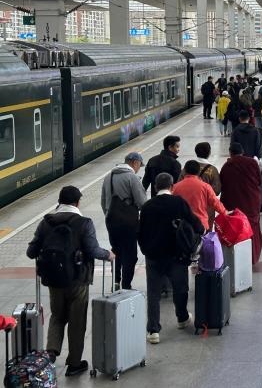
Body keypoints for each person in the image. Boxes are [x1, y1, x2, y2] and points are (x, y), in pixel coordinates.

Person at [27, 186, 114, 376]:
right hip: (78, 280)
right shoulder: (84, 223)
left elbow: (30, 252)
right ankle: (74, 363)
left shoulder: (45, 223)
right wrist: (108, 254)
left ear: (59, 202)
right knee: (77, 321)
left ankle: (51, 353)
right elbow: (93, 250)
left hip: (53, 280)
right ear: (77, 202)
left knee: (57, 316)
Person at [138, 173, 203, 344]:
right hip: (176, 255)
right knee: (180, 288)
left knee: (153, 293)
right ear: (172, 186)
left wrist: (146, 250)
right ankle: (182, 318)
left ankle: (153, 330)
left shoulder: (147, 206)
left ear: (155, 187)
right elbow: (195, 222)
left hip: (153, 256)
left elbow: (140, 232)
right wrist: (200, 230)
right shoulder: (178, 202)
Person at [100, 152, 147, 290]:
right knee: (130, 254)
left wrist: (109, 215)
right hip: (128, 222)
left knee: (116, 251)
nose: (138, 169)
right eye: (139, 165)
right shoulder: (132, 177)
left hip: (111, 221)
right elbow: (142, 202)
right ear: (135, 162)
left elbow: (103, 201)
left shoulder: (108, 177)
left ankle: (116, 281)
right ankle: (126, 285)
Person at [220, 143, 262, 264]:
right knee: (252, 228)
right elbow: (259, 181)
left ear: (230, 153)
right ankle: (252, 257)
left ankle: (238, 259)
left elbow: (222, 185)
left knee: (237, 229)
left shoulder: (227, 166)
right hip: (251, 201)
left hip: (233, 204)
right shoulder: (252, 163)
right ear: (242, 152)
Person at [173, 160, 227, 231]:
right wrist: (225, 213)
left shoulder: (175, 187)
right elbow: (215, 202)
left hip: (182, 225)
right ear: (198, 172)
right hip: (201, 225)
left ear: (185, 171)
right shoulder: (205, 187)